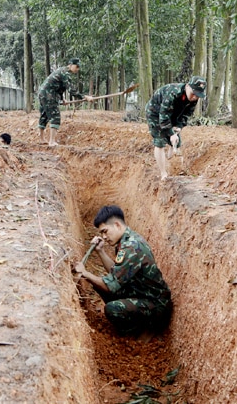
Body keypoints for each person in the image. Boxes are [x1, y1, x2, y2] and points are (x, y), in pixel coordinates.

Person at [74, 205, 172, 337]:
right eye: (101, 233)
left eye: (105, 231)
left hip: (156, 306)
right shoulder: (125, 240)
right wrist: (101, 251)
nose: (104, 237)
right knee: (100, 283)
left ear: (117, 225)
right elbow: (116, 273)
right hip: (141, 294)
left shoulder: (132, 247)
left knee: (112, 308)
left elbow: (111, 285)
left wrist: (85, 273)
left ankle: (140, 335)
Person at [145, 76, 206, 180]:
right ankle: (163, 173)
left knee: (177, 142)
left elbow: (186, 114)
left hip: (173, 113)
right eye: (193, 93)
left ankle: (173, 167)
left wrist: (178, 127)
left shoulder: (194, 98)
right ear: (187, 86)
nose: (195, 97)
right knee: (159, 141)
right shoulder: (173, 93)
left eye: (198, 95)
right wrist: (171, 133)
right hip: (155, 112)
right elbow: (163, 117)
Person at [37, 58, 93, 146]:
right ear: (70, 65)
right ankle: (51, 141)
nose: (78, 69)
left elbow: (58, 87)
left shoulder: (62, 71)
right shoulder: (65, 73)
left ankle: (41, 139)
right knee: (55, 116)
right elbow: (71, 90)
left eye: (79, 67)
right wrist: (85, 97)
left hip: (43, 93)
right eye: (77, 66)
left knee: (44, 115)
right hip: (48, 95)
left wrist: (62, 99)